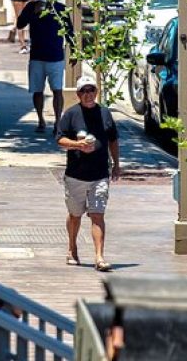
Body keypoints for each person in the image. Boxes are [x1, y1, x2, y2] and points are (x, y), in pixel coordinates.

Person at [56, 75, 121, 271]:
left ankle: (99, 257)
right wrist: (77, 145)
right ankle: (72, 248)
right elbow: (60, 140)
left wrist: (117, 164)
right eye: (84, 91)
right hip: (76, 174)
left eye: (91, 90)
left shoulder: (105, 114)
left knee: (97, 214)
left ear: (96, 92)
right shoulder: (71, 114)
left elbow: (113, 140)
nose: (88, 94)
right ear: (78, 94)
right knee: (75, 215)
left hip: (100, 174)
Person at [16, 0, 74, 134]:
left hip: (55, 56)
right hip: (36, 57)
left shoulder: (60, 9)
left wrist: (73, 52)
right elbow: (19, 25)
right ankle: (41, 119)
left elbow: (69, 32)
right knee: (37, 90)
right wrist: (31, 13)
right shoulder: (31, 7)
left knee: (57, 90)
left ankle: (57, 122)